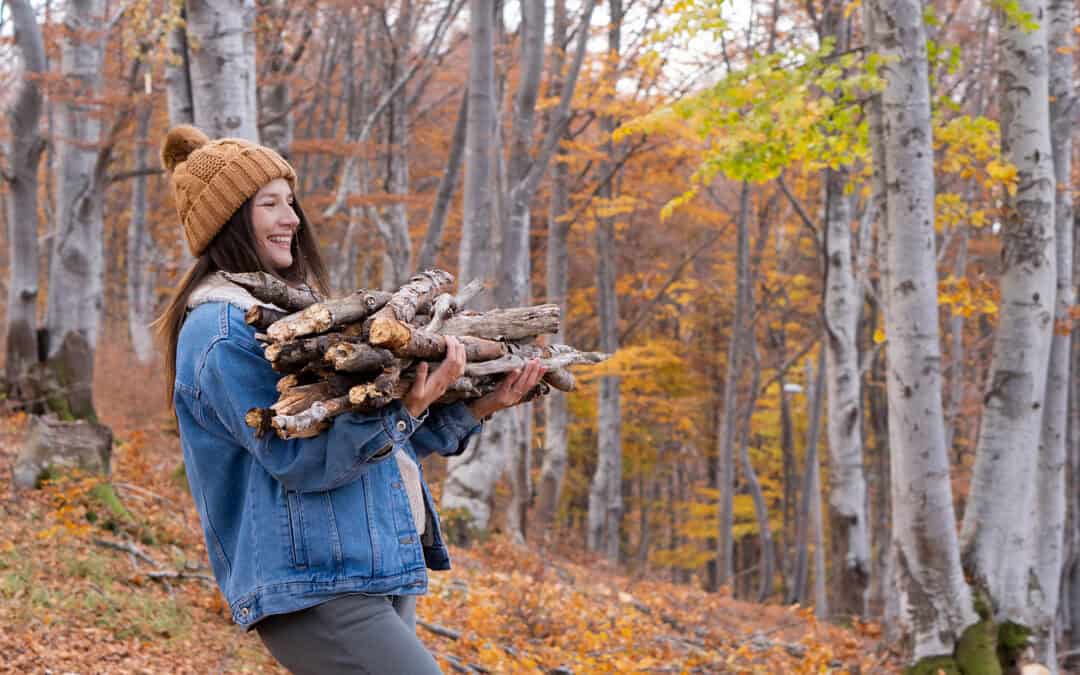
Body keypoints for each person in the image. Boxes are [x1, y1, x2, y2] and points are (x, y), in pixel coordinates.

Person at [153, 125, 543, 674]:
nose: (292, 218)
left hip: (370, 561)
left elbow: (374, 451)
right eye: (270, 205)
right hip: (313, 578)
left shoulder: (298, 322)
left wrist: (475, 406)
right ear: (229, 220)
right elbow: (299, 459)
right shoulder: (222, 331)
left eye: (290, 202)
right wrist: (403, 412)